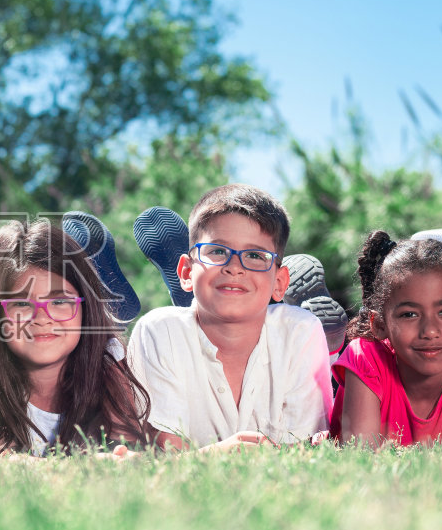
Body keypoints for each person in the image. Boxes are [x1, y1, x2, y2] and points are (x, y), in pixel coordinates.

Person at [0, 219, 164, 458]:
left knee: (109, 348)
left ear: (86, 309)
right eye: (22, 304)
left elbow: (128, 446)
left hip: (96, 344)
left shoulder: (106, 373)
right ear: (0, 316)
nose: (42, 318)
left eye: (60, 300)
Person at [126, 184, 332, 449]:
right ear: (186, 273)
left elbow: (305, 449)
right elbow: (167, 456)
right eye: (218, 251)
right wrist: (223, 454)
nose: (235, 267)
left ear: (280, 283)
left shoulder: (301, 331)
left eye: (256, 255)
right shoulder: (159, 331)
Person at [330, 229, 442, 446]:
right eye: (409, 314)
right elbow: (362, 459)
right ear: (379, 324)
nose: (430, 331)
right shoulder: (365, 357)